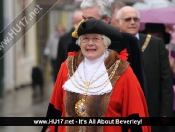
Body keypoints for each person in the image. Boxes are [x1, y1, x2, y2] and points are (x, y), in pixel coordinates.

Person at [42, 18, 150, 132]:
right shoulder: (67, 67)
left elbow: (135, 114)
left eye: (96, 38)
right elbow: (55, 109)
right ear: (79, 43)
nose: (90, 43)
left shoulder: (123, 71)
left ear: (106, 43)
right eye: (85, 39)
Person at [67, 0, 147, 97]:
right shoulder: (76, 44)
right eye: (84, 19)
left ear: (106, 20)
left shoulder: (128, 42)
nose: (85, 23)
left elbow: (139, 80)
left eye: (91, 19)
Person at [116, 6, 173, 132]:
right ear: (117, 22)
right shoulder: (111, 44)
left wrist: (165, 113)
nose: (132, 22)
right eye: (128, 19)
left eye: (135, 19)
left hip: (152, 111)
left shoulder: (155, 43)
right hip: (120, 113)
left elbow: (166, 82)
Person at [55, 10, 83, 80]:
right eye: (78, 21)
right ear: (73, 22)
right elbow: (59, 60)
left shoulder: (87, 38)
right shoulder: (64, 38)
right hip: (68, 76)